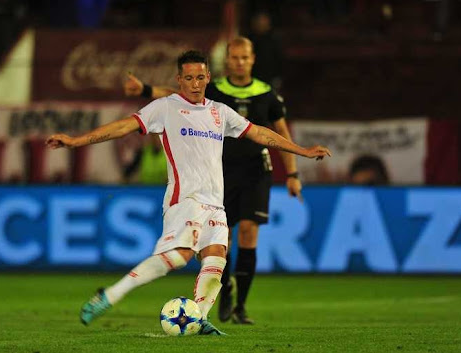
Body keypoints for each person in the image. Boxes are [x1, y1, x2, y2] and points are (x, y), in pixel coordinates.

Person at [47, 50, 331, 335]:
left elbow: (261, 133)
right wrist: (76, 141)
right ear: (179, 80)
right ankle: (109, 295)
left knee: (217, 254)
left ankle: (200, 317)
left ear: (208, 77)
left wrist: (302, 152)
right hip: (185, 199)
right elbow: (124, 126)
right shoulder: (166, 107)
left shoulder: (220, 112)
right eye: (189, 78)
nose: (195, 84)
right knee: (181, 255)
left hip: (214, 203)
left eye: (200, 77)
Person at [124, 37, 300, 325]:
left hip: (257, 170)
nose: (240, 62)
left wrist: (292, 174)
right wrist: (144, 89)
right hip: (220, 171)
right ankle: (225, 290)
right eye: (235, 57)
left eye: (245, 58)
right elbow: (175, 93)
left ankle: (241, 305)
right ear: (227, 60)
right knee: (223, 238)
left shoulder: (267, 94)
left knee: (249, 233)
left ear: (252, 59)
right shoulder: (214, 88)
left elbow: (281, 133)